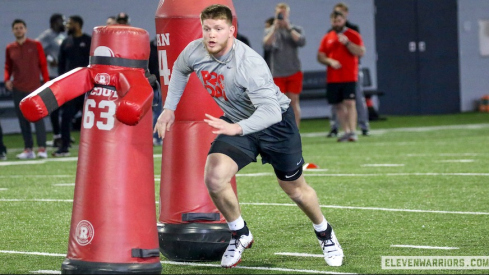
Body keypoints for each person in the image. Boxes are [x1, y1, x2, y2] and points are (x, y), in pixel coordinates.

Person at [154, 4, 343, 268]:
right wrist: (168, 109)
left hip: (275, 125)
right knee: (215, 177)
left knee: (295, 189)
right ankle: (240, 233)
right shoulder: (195, 50)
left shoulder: (249, 64)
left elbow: (271, 112)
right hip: (238, 122)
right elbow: (179, 70)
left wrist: (238, 128)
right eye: (207, 28)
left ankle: (324, 232)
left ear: (231, 31)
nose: (211, 35)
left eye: (218, 29)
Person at [317, 11, 365, 142]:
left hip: (349, 76)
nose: (336, 24)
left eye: (338, 21)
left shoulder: (353, 35)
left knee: (350, 102)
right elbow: (320, 56)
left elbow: (361, 51)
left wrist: (348, 43)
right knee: (338, 105)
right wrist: (330, 61)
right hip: (333, 77)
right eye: (334, 21)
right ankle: (346, 131)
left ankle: (353, 131)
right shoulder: (328, 37)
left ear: (344, 20)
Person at [4, 19, 49, 159]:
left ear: (26, 29)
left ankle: (42, 148)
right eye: (16, 28)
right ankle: (28, 149)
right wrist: (7, 79)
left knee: (39, 118)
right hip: (18, 88)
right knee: (23, 120)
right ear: (13, 31)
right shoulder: (10, 48)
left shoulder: (36, 45)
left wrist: (46, 83)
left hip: (35, 88)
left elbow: (43, 65)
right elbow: (8, 66)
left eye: (21, 27)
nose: (19, 30)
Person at [327, 2, 370, 137]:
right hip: (336, 73)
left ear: (346, 15)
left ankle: (363, 126)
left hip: (353, 70)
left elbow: (360, 50)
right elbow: (323, 53)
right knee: (337, 102)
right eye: (335, 14)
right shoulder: (330, 33)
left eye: (340, 14)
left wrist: (346, 42)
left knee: (356, 98)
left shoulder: (353, 29)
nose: (337, 18)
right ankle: (336, 127)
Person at [263, 3, 305, 128]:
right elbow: (266, 44)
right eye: (279, 14)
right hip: (277, 72)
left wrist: (288, 27)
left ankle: (295, 131)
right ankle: (281, 131)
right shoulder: (270, 30)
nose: (281, 16)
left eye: (283, 14)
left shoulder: (295, 29)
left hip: (293, 71)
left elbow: (301, 41)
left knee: (294, 102)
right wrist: (274, 28)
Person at [54, 15, 91, 157]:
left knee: (91, 119)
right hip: (71, 87)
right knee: (66, 117)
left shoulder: (88, 41)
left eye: (70, 23)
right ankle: (64, 147)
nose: (67, 25)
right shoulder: (66, 42)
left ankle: (96, 147)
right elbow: (61, 65)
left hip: (87, 86)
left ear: (78, 24)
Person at [36, 13, 66, 147]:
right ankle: (57, 136)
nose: (63, 24)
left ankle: (64, 133)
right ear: (54, 23)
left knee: (66, 106)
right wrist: (49, 59)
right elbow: (36, 48)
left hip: (63, 74)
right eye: (61, 22)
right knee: (54, 106)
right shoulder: (47, 35)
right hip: (52, 75)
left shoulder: (63, 35)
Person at [149, 36, 162, 146]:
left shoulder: (150, 47)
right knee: (157, 112)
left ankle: (156, 136)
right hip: (154, 86)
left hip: (158, 85)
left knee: (157, 113)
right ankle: (155, 136)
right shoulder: (150, 47)